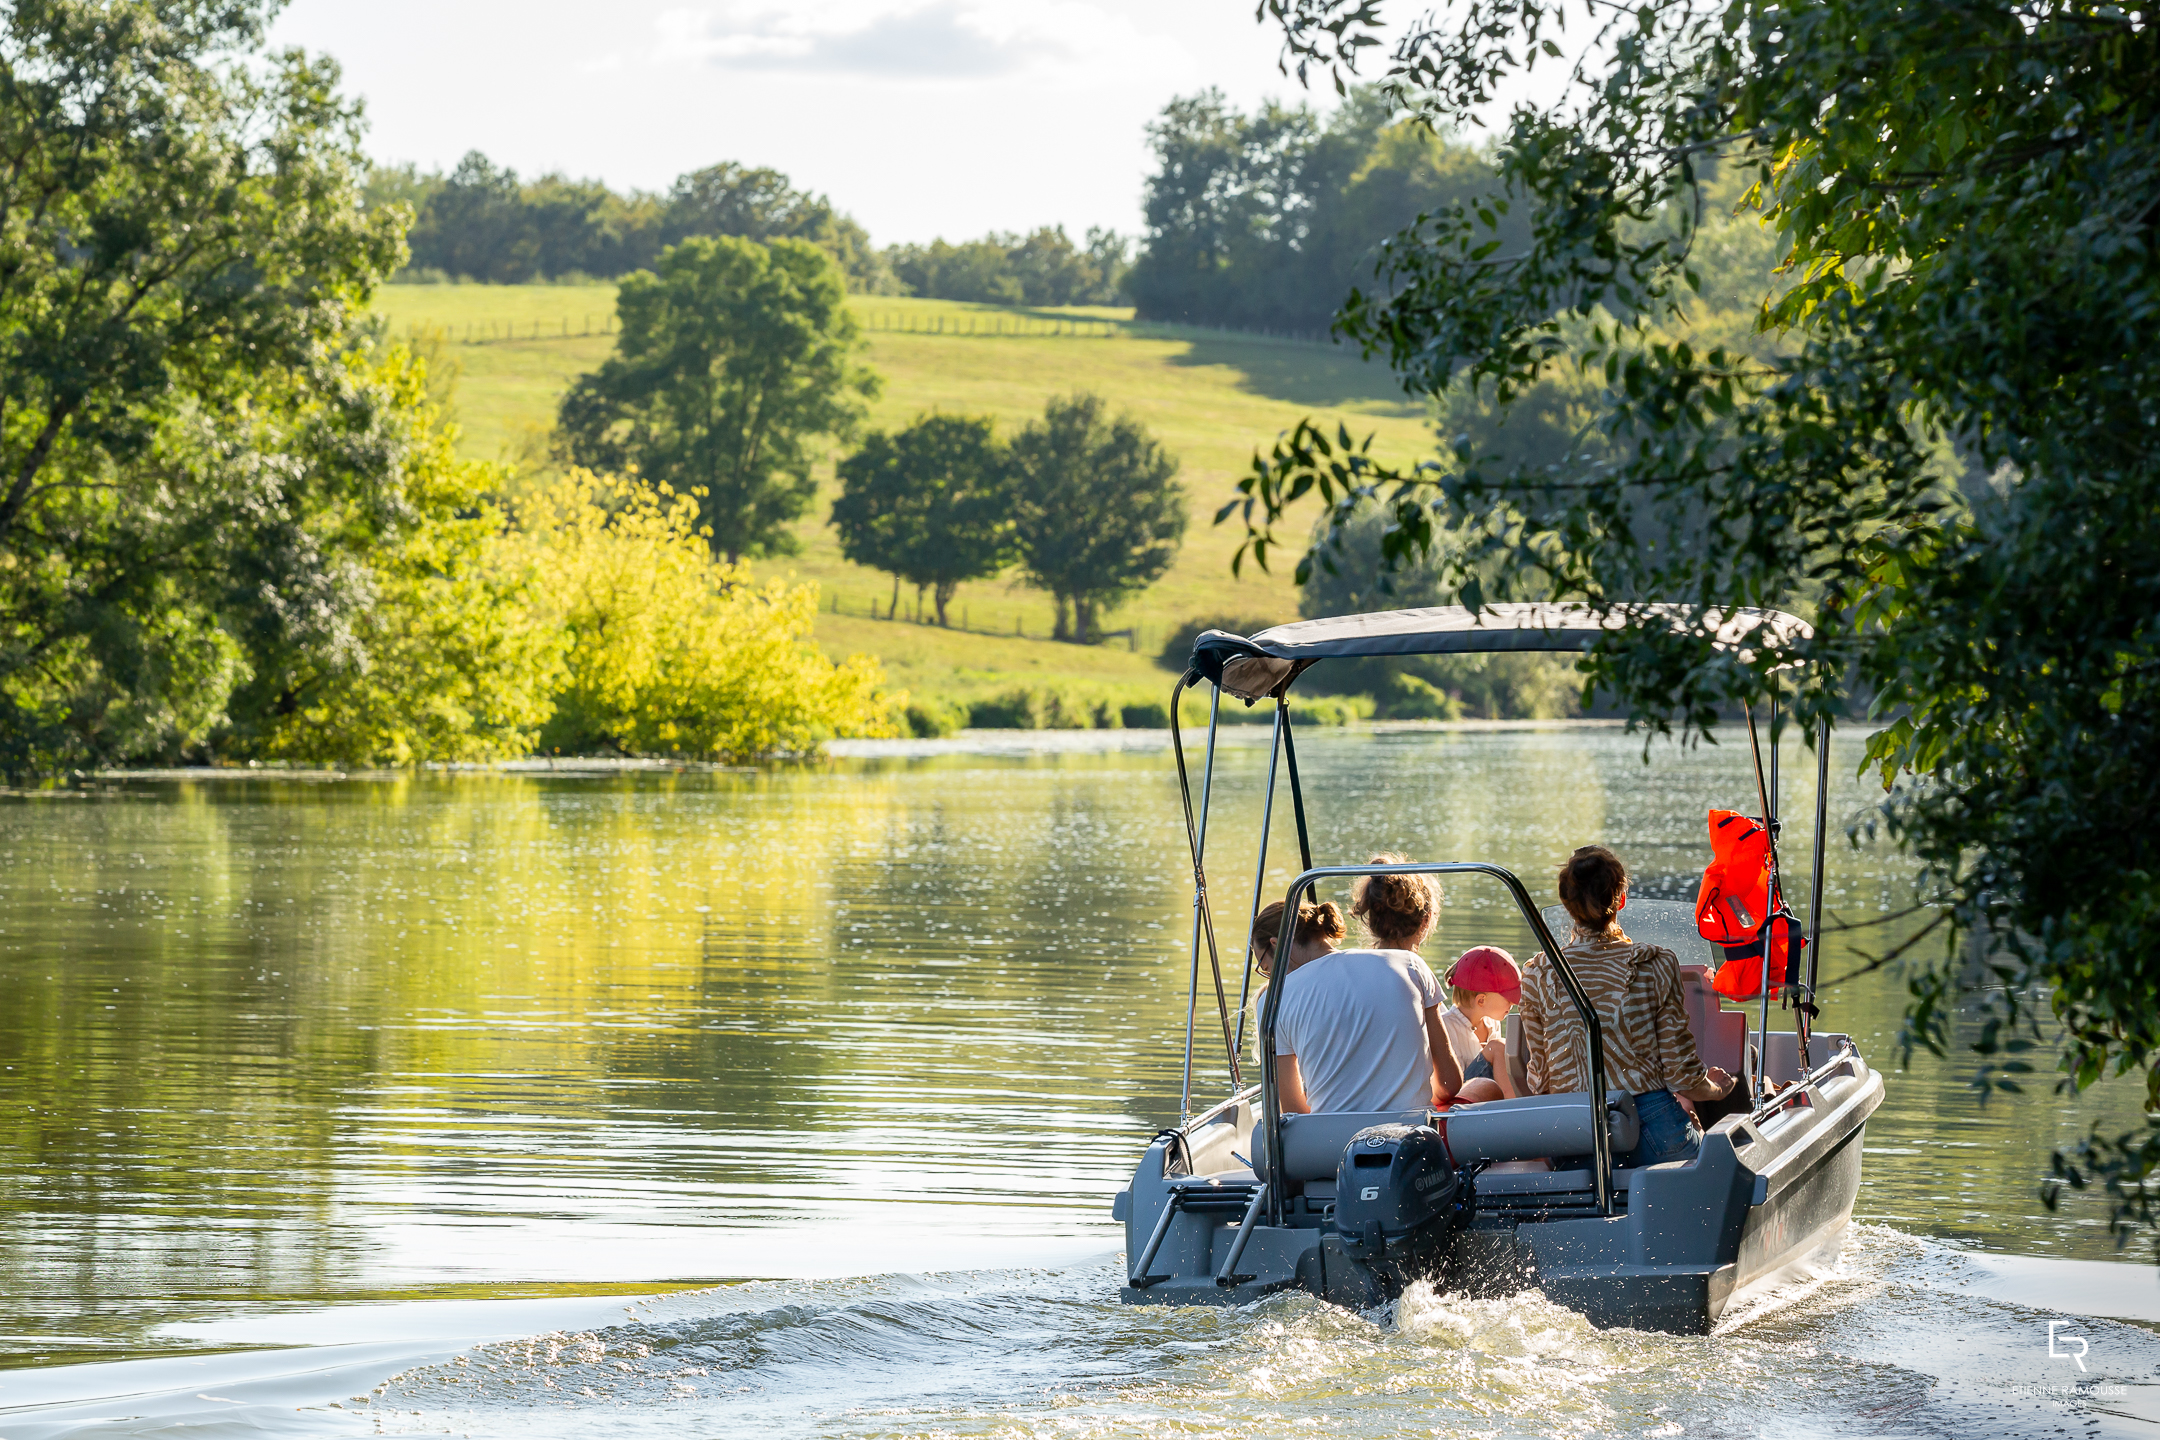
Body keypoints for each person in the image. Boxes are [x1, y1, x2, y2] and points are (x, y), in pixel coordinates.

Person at [1519, 845, 1736, 1167]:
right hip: (1653, 1128)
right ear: (1621, 900)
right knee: (1725, 1154)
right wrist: (1717, 1089)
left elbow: (1540, 1080)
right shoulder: (1653, 962)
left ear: (1566, 904)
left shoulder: (1539, 972)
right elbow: (1682, 1075)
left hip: (1574, 1136)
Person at [1253, 875, 1461, 1115]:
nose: (1270, 977)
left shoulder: (1273, 1001)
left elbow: (1293, 1109)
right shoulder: (1410, 964)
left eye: (1266, 967)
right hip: (1409, 1131)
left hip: (1332, 1136)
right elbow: (1449, 1083)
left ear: (1276, 944)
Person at [1441, 946, 1522, 1104]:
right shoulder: (1445, 1027)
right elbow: (1447, 1085)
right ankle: (1513, 1108)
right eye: (1508, 998)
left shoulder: (1492, 1023)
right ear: (1481, 1000)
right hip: (1458, 1102)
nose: (1513, 1003)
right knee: (1498, 1047)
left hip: (1485, 1094)